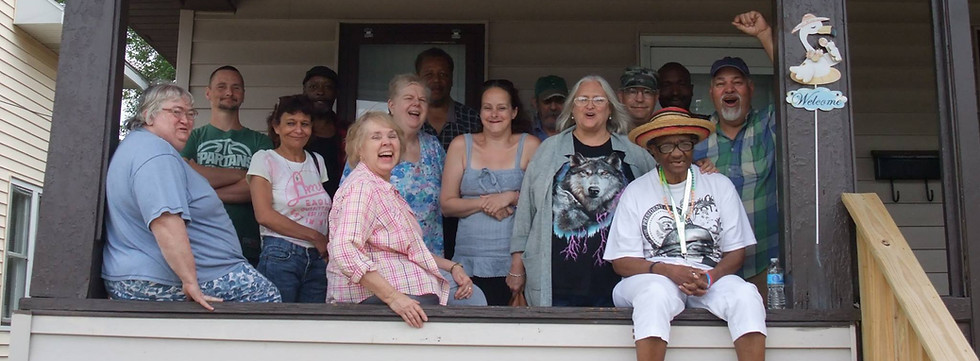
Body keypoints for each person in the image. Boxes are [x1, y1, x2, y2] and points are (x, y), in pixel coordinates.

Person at [606, 107, 766, 361]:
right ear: (653, 151)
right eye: (667, 146)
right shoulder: (636, 191)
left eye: (684, 144)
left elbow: (736, 251)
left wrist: (711, 278)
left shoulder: (718, 184)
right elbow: (622, 262)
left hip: (708, 278)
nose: (678, 152)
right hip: (653, 277)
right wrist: (668, 270)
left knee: (746, 295)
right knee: (654, 295)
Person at [104, 83, 281, 311]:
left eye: (190, 114)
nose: (186, 120)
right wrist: (190, 281)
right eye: (176, 112)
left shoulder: (138, 147)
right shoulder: (156, 154)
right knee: (265, 298)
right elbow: (165, 221)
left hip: (142, 274)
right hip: (162, 278)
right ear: (149, 115)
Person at [509, 75, 658, 307]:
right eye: (582, 99)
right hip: (557, 279)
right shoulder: (548, 151)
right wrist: (517, 265)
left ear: (610, 108)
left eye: (598, 99)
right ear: (572, 109)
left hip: (617, 280)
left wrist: (698, 170)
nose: (590, 105)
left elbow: (660, 198)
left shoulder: (634, 155)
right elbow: (527, 210)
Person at [342, 74, 486, 306]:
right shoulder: (364, 172)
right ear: (391, 104)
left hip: (426, 257)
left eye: (422, 100)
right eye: (408, 97)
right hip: (383, 267)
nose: (416, 104)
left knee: (467, 300)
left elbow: (451, 194)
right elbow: (346, 237)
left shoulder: (432, 146)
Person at [329, 112, 470, 328]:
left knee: (472, 297)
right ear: (359, 149)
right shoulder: (362, 188)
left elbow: (410, 249)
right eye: (375, 137)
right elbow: (344, 249)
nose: (386, 142)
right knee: (471, 305)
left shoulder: (382, 187)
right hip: (374, 302)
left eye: (392, 136)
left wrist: (452, 267)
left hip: (405, 296)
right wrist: (394, 298)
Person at [694, 10, 777, 297]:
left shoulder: (770, 126)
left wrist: (765, 35)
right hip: (710, 267)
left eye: (737, 82)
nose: (729, 88)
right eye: (720, 83)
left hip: (765, 261)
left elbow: (799, 85)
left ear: (750, 88)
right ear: (712, 93)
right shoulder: (696, 136)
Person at [441, 80, 541, 306]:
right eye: (488, 107)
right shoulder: (461, 145)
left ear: (514, 112)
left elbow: (541, 204)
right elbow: (447, 205)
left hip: (516, 262)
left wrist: (510, 197)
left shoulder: (530, 145)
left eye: (502, 107)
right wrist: (487, 202)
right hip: (468, 261)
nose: (494, 114)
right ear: (480, 112)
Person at [181, 65, 273, 267]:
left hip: (245, 242)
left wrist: (201, 185)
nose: (229, 93)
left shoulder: (260, 142)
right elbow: (182, 180)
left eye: (236, 87)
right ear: (208, 92)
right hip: (197, 241)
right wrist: (243, 176)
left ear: (243, 94)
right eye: (221, 86)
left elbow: (259, 190)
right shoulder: (192, 138)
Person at [247, 95, 330, 303]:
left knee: (312, 327)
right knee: (278, 325)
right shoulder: (265, 159)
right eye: (290, 123)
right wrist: (316, 236)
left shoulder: (316, 160)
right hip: (281, 253)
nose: (298, 130)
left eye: (305, 124)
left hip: (318, 257)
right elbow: (264, 215)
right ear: (276, 127)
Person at [415, 47, 481, 150]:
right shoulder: (407, 118)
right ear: (417, 79)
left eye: (443, 74)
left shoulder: (472, 119)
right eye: (429, 75)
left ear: (451, 79)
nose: (436, 80)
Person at [301, 65, 345, 198]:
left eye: (328, 87)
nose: (320, 92)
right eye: (313, 87)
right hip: (298, 205)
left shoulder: (347, 131)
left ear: (336, 93)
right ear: (304, 91)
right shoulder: (293, 130)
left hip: (339, 206)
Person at [530, 75, 568, 140]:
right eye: (547, 101)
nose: (553, 107)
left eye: (559, 101)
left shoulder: (577, 132)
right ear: (535, 103)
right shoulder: (525, 133)